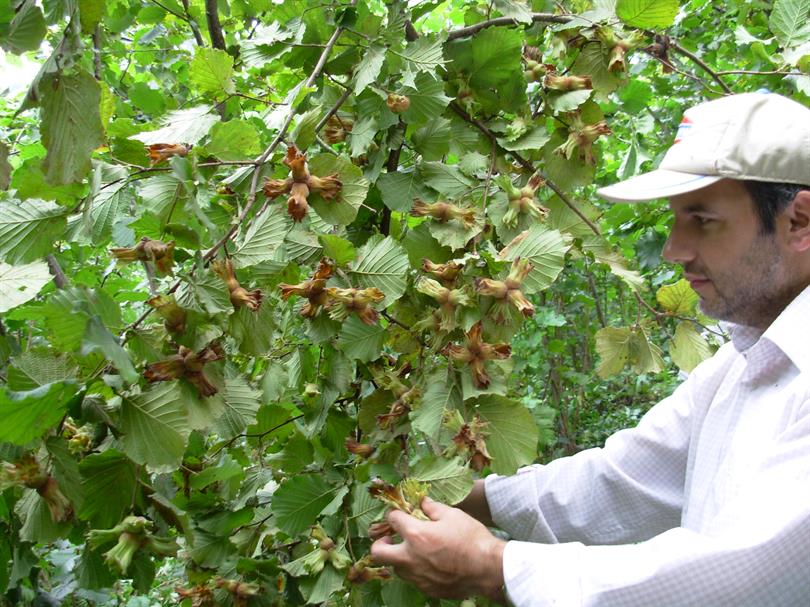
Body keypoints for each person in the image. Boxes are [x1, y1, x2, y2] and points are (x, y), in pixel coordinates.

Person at [370, 92, 810, 606]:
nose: (674, 249)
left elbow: (739, 578)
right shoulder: (741, 365)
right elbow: (623, 479)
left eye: (703, 220)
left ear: (799, 221)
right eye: (674, 220)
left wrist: (496, 567)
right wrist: (473, 498)